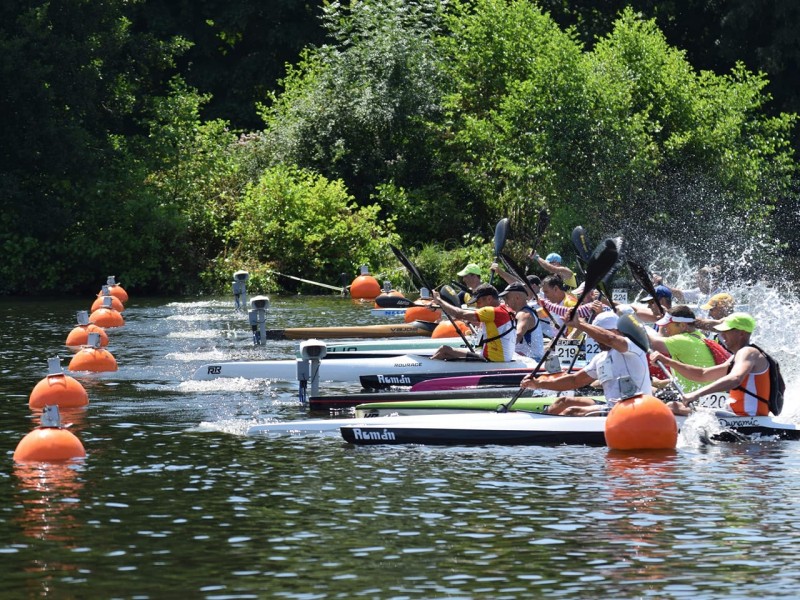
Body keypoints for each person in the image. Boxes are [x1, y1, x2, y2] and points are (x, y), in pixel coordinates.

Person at [520, 311, 652, 416]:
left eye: (598, 335)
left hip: (636, 409)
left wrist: (580, 324)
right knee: (563, 402)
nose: (596, 340)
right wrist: (537, 384)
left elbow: (609, 339)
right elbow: (574, 381)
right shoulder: (600, 358)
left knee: (571, 412)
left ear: (616, 331)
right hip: (612, 407)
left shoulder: (632, 347)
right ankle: (542, 435)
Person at [649, 312, 772, 416]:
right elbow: (703, 374)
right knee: (674, 406)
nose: (722, 335)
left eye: (727, 331)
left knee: (672, 406)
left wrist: (696, 394)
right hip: (735, 413)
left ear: (742, 333)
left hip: (747, 417)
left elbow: (735, 379)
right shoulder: (736, 357)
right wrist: (668, 362)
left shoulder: (749, 352)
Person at [645, 305, 725, 415]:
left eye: (668, 325)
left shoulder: (683, 340)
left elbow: (652, 343)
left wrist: (632, 323)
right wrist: (659, 383)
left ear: (682, 325)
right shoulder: (699, 336)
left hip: (697, 401)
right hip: (708, 398)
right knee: (653, 389)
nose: (666, 328)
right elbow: (685, 380)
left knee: (647, 393)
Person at [431, 283, 516, 362]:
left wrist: (439, 300)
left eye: (478, 302)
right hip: (499, 359)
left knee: (444, 350)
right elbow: (494, 327)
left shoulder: (492, 312)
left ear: (489, 299)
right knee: (450, 354)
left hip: (491, 361)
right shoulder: (505, 309)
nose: (477, 306)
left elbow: (459, 314)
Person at [499, 281, 543, 361]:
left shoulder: (524, 315)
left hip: (532, 361)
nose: (505, 302)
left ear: (517, 297)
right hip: (525, 359)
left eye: (506, 298)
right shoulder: (521, 313)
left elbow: (517, 335)